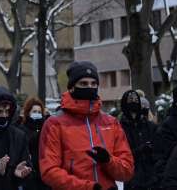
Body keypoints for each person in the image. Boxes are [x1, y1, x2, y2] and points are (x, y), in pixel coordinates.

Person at [39, 61, 134, 190]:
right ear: (72, 87)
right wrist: (87, 187)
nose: (89, 87)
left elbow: (127, 170)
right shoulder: (54, 123)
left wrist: (108, 161)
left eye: (93, 84)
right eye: (83, 83)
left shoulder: (111, 123)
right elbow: (49, 171)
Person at [118, 90, 158, 190]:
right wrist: (141, 149)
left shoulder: (149, 126)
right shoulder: (119, 127)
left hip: (151, 178)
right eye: (130, 100)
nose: (134, 102)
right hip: (132, 179)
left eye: (136, 100)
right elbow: (121, 154)